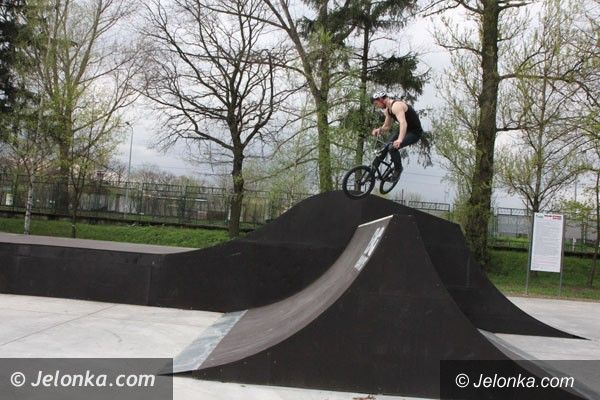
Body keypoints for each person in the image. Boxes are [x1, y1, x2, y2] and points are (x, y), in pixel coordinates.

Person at [370, 91, 423, 180]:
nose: (377, 106)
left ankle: (398, 169)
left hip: (414, 133)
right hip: (403, 131)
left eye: (376, 104)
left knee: (392, 147)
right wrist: (379, 130)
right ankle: (371, 172)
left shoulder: (396, 106)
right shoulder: (388, 110)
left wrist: (399, 140)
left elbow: (403, 123)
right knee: (384, 148)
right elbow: (387, 127)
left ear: (381, 99)